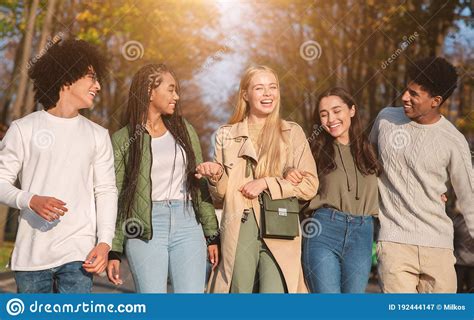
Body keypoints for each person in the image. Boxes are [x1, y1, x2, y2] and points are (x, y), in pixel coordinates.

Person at [0, 39, 117, 293]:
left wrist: (105, 242)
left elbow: (106, 191)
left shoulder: (98, 135)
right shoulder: (24, 128)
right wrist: (30, 200)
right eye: (90, 77)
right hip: (31, 258)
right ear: (67, 78)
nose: (97, 85)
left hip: (79, 255)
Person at [196, 65, 318, 293]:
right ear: (245, 94)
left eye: (273, 87)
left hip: (280, 226)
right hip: (240, 226)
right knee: (240, 294)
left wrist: (267, 183)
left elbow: (310, 185)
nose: (267, 93)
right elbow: (222, 194)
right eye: (259, 88)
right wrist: (216, 175)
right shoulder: (226, 134)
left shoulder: (292, 132)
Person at [106, 64, 219, 293]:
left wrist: (211, 234)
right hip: (144, 228)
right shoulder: (122, 139)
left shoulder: (184, 130)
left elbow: (199, 186)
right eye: (170, 89)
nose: (176, 96)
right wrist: (113, 249)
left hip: (187, 223)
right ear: (150, 91)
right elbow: (116, 196)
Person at [370, 57, 474, 293]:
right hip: (394, 243)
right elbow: (367, 163)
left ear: (435, 101)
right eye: (406, 90)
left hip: (438, 247)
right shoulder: (385, 119)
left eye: (414, 94)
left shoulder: (453, 140)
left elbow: (469, 198)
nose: (405, 97)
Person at [287, 87, 382, 293]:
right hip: (323, 230)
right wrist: (289, 171)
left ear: (352, 111)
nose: (331, 119)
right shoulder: (314, 151)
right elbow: (297, 186)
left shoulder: (371, 150)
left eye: (337, 111)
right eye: (324, 114)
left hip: (363, 232)